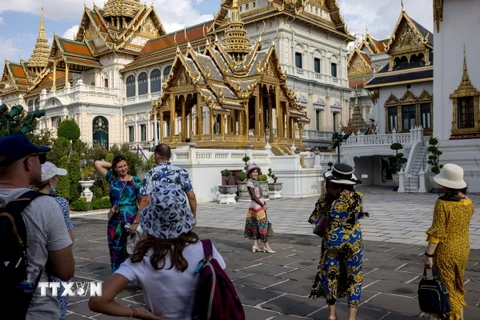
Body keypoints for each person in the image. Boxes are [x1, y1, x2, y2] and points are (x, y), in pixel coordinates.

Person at [88, 187, 225, 319]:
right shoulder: (206, 248)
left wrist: (137, 313)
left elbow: (97, 301)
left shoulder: (141, 258)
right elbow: (221, 285)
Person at [0, 133, 74, 320]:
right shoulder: (45, 206)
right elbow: (65, 271)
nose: (42, 164)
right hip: (33, 310)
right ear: (28, 163)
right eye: (39, 159)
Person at [308, 163, 367, 320]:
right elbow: (358, 216)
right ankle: (351, 318)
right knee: (354, 278)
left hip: (332, 241)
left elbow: (313, 220)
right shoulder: (357, 197)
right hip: (353, 242)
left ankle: (332, 314)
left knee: (331, 276)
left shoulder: (326, 198)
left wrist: (323, 197)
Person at [424, 164, 474, 320]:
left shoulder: (443, 203)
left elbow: (437, 232)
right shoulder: (468, 202)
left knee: (447, 289)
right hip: (463, 248)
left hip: (446, 251)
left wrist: (429, 254)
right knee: (457, 286)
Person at [32, 162, 75, 320]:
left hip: (34, 265)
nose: (57, 180)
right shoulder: (60, 203)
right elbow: (69, 237)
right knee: (59, 309)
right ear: (50, 181)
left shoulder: (26, 201)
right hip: (56, 263)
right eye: (56, 177)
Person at [94, 156, 142, 275]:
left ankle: (139, 280)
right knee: (115, 250)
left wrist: (137, 221)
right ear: (115, 168)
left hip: (131, 217)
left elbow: (142, 203)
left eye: (125, 165)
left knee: (135, 249)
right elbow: (97, 163)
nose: (123, 168)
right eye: (120, 167)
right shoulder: (112, 179)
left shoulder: (135, 181)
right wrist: (114, 165)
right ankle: (118, 277)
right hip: (115, 219)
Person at [137, 143, 197, 227]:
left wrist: (137, 221)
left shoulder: (151, 173)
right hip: (179, 218)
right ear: (170, 156)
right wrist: (193, 217)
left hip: (159, 220)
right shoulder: (181, 172)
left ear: (157, 155)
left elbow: (145, 199)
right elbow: (191, 196)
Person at [244, 164, 275, 253]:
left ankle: (256, 245)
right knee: (263, 226)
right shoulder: (250, 183)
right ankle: (266, 246)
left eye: (256, 172)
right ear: (249, 174)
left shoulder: (256, 182)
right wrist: (262, 205)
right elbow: (254, 196)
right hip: (257, 206)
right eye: (253, 172)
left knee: (255, 225)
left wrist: (264, 203)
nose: (255, 173)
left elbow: (259, 195)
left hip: (257, 205)